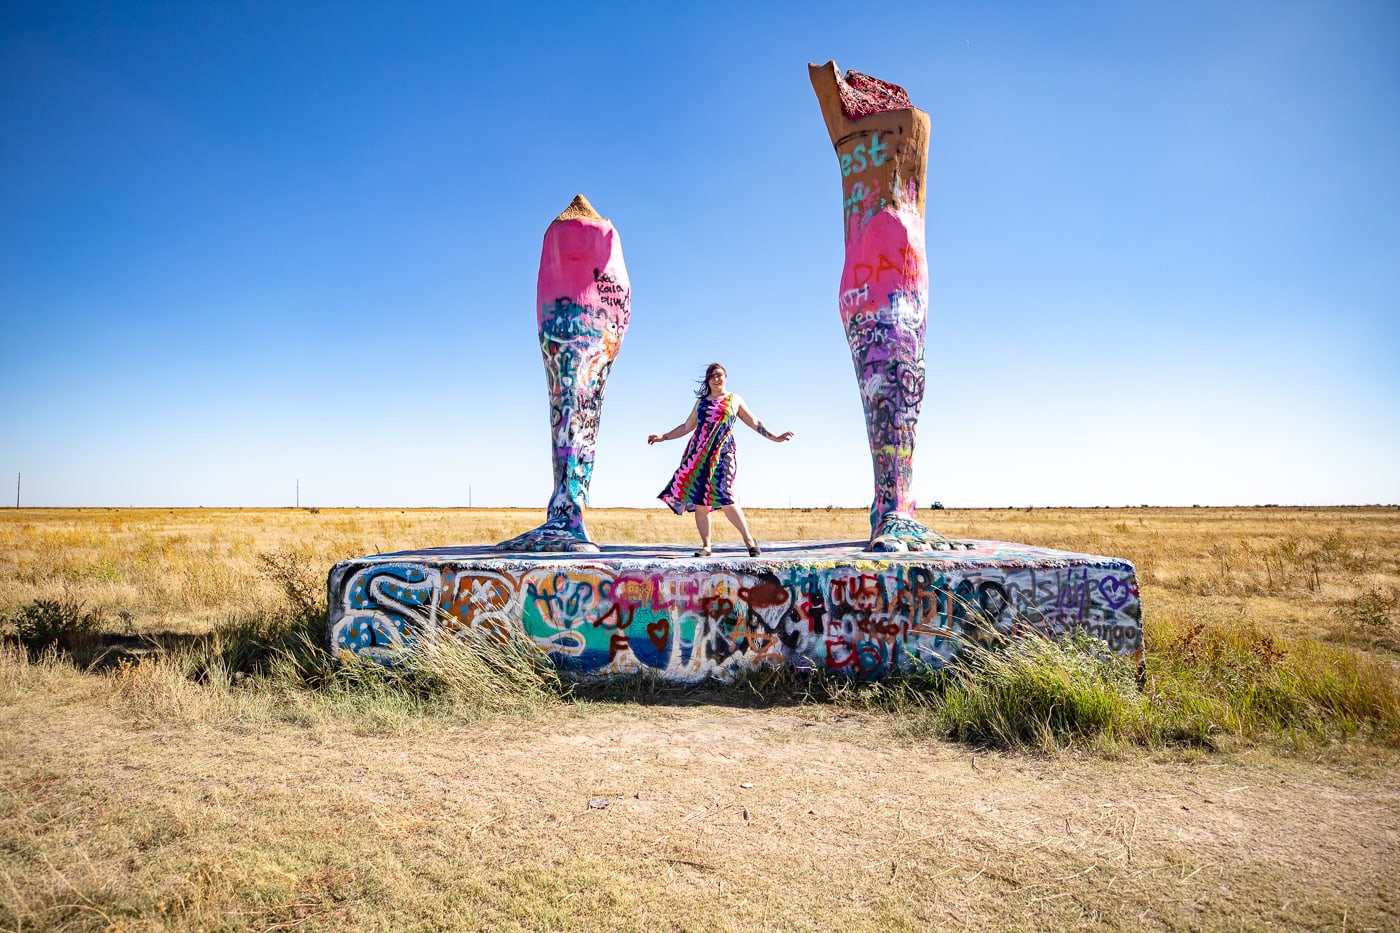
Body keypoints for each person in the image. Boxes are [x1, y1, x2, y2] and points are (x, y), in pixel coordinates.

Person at [648, 363, 793, 557]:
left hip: (724, 452)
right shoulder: (701, 402)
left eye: (719, 375)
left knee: (725, 494)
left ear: (726, 377)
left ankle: (749, 541)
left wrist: (775, 437)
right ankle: (706, 546)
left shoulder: (734, 399)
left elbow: (755, 422)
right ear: (708, 380)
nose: (716, 379)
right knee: (701, 499)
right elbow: (686, 426)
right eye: (712, 376)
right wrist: (663, 437)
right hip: (699, 454)